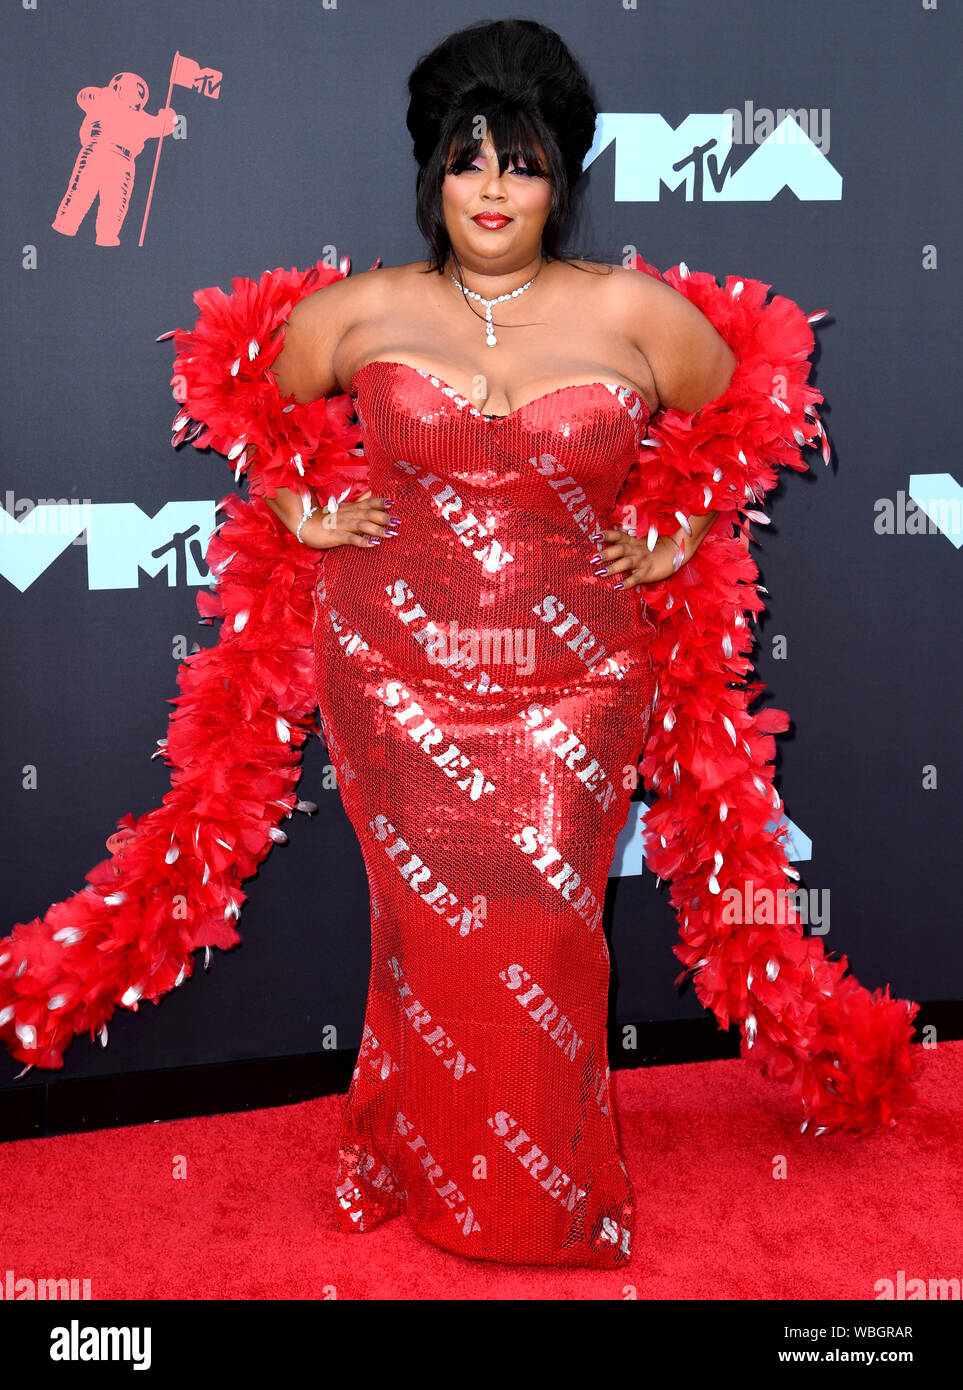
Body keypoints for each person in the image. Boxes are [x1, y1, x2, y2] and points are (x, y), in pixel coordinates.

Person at [1, 19, 920, 1269]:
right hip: (392, 675)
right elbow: (236, 378)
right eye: (469, 158)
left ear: (563, 179)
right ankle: (406, 1154)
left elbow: (760, 386)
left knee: (548, 932)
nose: (493, 188)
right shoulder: (371, 306)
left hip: (580, 683)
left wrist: (686, 515)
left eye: (524, 162)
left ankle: (544, 1197)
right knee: (423, 933)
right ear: (433, 170)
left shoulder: (634, 309)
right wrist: (290, 497)